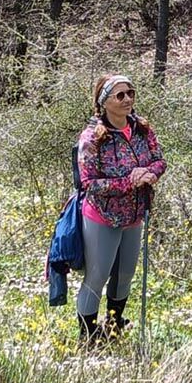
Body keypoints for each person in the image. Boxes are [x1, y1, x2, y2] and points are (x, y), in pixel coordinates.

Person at [74, 74, 166, 345]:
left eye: (131, 93)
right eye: (120, 95)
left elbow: (160, 160)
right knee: (97, 276)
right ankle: (89, 337)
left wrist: (150, 173)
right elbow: (88, 183)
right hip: (102, 217)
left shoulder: (142, 129)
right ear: (104, 102)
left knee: (125, 275)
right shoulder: (92, 137)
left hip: (134, 216)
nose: (128, 99)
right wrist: (129, 181)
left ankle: (114, 328)